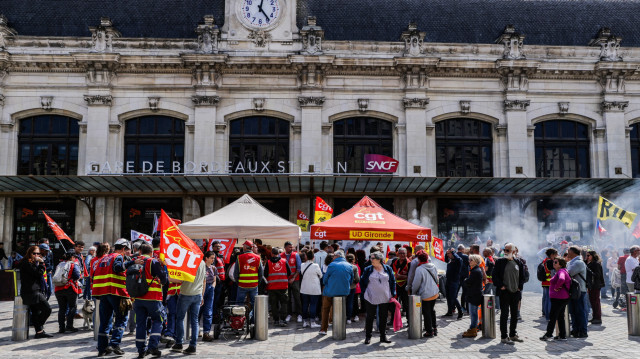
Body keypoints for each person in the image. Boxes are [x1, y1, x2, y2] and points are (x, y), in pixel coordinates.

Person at [127, 243, 168, 358]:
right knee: (158, 320)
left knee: (140, 324)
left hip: (138, 298)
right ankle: (153, 347)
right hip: (153, 297)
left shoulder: (135, 260)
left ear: (140, 251)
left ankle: (141, 350)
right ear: (151, 252)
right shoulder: (152, 261)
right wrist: (163, 266)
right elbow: (164, 279)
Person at [93, 238, 131, 356]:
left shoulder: (103, 258)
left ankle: (102, 348)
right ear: (123, 249)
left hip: (103, 293)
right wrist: (132, 263)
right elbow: (118, 268)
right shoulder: (118, 256)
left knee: (105, 322)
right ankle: (114, 344)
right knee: (122, 318)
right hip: (116, 292)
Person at [492, 243, 525, 345]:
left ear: (514, 252)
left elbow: (522, 277)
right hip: (504, 292)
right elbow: (495, 276)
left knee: (515, 314)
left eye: (507, 250)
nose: (505, 252)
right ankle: (504, 336)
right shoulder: (500, 262)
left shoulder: (518, 262)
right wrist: (501, 285)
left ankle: (513, 334)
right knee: (504, 314)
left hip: (515, 292)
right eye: (504, 250)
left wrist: (519, 287)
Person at [172, 258, 206, 355]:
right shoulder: (202, 262)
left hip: (186, 294)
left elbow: (180, 279)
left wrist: (168, 278)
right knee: (195, 320)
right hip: (198, 294)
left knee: (180, 318)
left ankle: (179, 343)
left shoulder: (187, 261)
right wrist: (202, 295)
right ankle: (193, 346)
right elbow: (204, 281)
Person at [360, 251, 395, 344]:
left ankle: (383, 336)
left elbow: (392, 281)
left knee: (383, 317)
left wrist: (393, 292)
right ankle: (368, 336)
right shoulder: (368, 269)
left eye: (372, 258)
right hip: (370, 296)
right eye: (370, 258)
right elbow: (362, 281)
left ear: (379, 259)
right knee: (370, 317)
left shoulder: (387, 268)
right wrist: (364, 292)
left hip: (385, 296)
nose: (370, 260)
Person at [19, 245, 53, 338]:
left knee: (36, 312)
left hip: (35, 290)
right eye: (34, 253)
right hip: (31, 291)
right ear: (29, 253)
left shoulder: (33, 263)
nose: (37, 255)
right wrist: (42, 264)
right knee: (47, 309)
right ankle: (39, 327)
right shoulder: (26, 263)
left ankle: (39, 332)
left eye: (38, 253)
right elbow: (37, 274)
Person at [319, 251, 353, 336]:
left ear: (337, 256)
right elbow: (351, 280)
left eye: (334, 255)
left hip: (330, 292)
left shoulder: (331, 265)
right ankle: (339, 328)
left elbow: (325, 279)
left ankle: (324, 329)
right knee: (341, 310)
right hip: (344, 292)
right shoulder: (349, 265)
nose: (333, 257)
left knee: (325, 309)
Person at [540, 258, 571, 341]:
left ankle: (549, 334)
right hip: (561, 298)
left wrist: (557, 287)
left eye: (556, 262)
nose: (554, 263)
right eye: (554, 262)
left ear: (560, 264)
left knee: (553, 316)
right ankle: (562, 335)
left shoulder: (561, 271)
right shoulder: (563, 271)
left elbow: (561, 279)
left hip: (559, 298)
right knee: (560, 316)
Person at [410, 251, 439, 338]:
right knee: (432, 310)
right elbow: (437, 279)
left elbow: (416, 283)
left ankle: (429, 331)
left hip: (425, 294)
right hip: (434, 293)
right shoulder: (433, 266)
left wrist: (413, 293)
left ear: (418, 259)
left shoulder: (419, 269)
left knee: (426, 313)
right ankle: (434, 328)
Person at [54, 249, 82, 333]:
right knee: (72, 307)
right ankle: (69, 326)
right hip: (69, 288)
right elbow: (77, 275)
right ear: (72, 257)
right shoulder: (73, 265)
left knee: (62, 308)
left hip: (58, 288)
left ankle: (61, 327)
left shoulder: (60, 264)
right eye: (75, 257)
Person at [265, 247, 291, 327]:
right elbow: (289, 273)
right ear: (278, 254)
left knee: (274, 304)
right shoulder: (284, 261)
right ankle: (283, 320)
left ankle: (276, 320)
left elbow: (265, 274)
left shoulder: (268, 262)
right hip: (283, 286)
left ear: (272, 254)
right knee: (284, 303)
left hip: (272, 287)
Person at [234, 240, 263, 309]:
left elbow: (236, 273)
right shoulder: (258, 258)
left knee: (239, 304)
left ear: (245, 247)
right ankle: (254, 319)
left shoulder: (239, 257)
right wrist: (258, 282)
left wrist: (238, 282)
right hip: (254, 285)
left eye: (243, 246)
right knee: (255, 304)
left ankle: (239, 318)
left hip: (242, 285)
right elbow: (261, 273)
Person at [567, 245, 588, 338]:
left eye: (569, 251)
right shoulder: (572, 262)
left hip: (579, 290)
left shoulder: (578, 263)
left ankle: (583, 331)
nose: (567, 252)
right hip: (573, 290)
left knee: (579, 311)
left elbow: (568, 273)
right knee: (573, 311)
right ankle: (575, 329)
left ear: (574, 252)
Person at [462, 254, 485, 338]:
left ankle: (473, 329)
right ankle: (472, 328)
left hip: (474, 295)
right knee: (472, 313)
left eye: (471, 260)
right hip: (474, 294)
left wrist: (465, 281)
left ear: (475, 261)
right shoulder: (475, 270)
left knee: (473, 313)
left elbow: (468, 282)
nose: (469, 261)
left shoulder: (475, 271)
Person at [300, 250, 322, 328]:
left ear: (306, 256)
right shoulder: (316, 265)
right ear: (313, 257)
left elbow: (302, 273)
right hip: (314, 288)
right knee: (313, 304)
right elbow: (321, 275)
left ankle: (305, 321)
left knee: (305, 305)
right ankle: (312, 322)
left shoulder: (302, 265)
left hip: (304, 288)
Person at [282, 241, 302, 323]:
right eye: (290, 247)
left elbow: (299, 268)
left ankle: (299, 314)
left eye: (292, 247)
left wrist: (293, 278)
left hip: (295, 279)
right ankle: (288, 314)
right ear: (285, 247)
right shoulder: (281, 256)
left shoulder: (296, 255)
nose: (291, 248)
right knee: (287, 298)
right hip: (285, 280)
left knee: (297, 297)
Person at [389, 248, 410, 323]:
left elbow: (411, 276)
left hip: (405, 286)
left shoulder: (409, 263)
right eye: (400, 253)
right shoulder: (394, 261)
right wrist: (393, 276)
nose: (402, 255)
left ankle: (409, 321)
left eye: (404, 253)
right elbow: (390, 271)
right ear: (397, 254)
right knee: (393, 303)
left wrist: (401, 276)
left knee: (406, 304)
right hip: (396, 285)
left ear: (406, 254)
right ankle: (393, 320)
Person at [201, 251, 218, 341]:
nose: (212, 260)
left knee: (208, 311)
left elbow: (214, 280)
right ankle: (197, 331)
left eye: (213, 258)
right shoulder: (201, 267)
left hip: (210, 289)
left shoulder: (214, 268)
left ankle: (206, 332)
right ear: (206, 258)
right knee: (198, 311)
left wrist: (212, 287)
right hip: (201, 289)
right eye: (211, 258)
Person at [537, 248, 557, 321]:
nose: (556, 256)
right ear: (551, 255)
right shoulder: (550, 262)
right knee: (549, 300)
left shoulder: (544, 260)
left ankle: (546, 314)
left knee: (545, 299)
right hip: (549, 283)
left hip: (545, 282)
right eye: (555, 255)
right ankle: (549, 316)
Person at [443, 248, 463, 319]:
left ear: (453, 253)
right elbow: (445, 259)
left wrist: (453, 252)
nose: (448, 255)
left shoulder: (458, 260)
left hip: (454, 281)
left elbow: (458, 259)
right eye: (447, 254)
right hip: (448, 280)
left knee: (453, 297)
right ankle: (449, 311)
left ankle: (460, 311)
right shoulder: (450, 260)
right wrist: (447, 253)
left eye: (449, 253)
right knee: (448, 296)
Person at [586, 250, 604, 325]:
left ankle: (598, 318)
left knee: (595, 301)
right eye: (586, 255)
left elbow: (597, 275)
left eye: (588, 255)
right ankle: (595, 317)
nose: (587, 257)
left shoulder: (596, 264)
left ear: (593, 256)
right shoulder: (591, 263)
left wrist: (588, 270)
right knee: (593, 301)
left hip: (595, 285)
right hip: (592, 285)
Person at [346, 253, 360, 324]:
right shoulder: (354, 267)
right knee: (350, 302)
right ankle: (348, 318)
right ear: (353, 259)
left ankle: (343, 317)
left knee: (343, 302)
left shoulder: (344, 266)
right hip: (352, 287)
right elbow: (357, 279)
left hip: (344, 287)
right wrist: (354, 282)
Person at [457, 245, 470, 313]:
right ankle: (464, 307)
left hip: (457, 276)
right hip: (465, 277)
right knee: (465, 293)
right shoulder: (465, 257)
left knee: (456, 293)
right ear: (462, 249)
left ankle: (454, 307)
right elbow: (469, 265)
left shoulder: (455, 256)